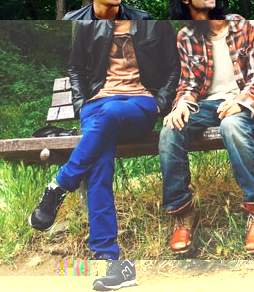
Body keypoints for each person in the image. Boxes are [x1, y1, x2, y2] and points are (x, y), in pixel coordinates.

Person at [29, 20, 180, 290]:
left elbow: (173, 67)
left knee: (110, 114)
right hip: (96, 107)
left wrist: (161, 102)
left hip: (139, 103)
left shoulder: (152, 24)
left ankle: (60, 184)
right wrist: (80, 105)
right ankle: (109, 261)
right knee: (98, 164)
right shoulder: (88, 26)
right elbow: (76, 68)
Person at [158, 19, 254, 255]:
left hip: (245, 102)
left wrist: (240, 102)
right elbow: (189, 84)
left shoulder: (250, 26)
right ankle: (183, 214)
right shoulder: (187, 36)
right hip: (205, 106)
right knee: (171, 129)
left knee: (231, 126)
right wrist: (181, 104)